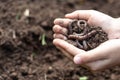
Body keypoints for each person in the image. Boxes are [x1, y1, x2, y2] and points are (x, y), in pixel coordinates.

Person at [53, 10, 120, 71]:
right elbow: (82, 37)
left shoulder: (86, 35)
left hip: (82, 37)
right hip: (81, 36)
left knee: (82, 42)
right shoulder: (82, 32)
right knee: (81, 40)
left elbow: (82, 37)